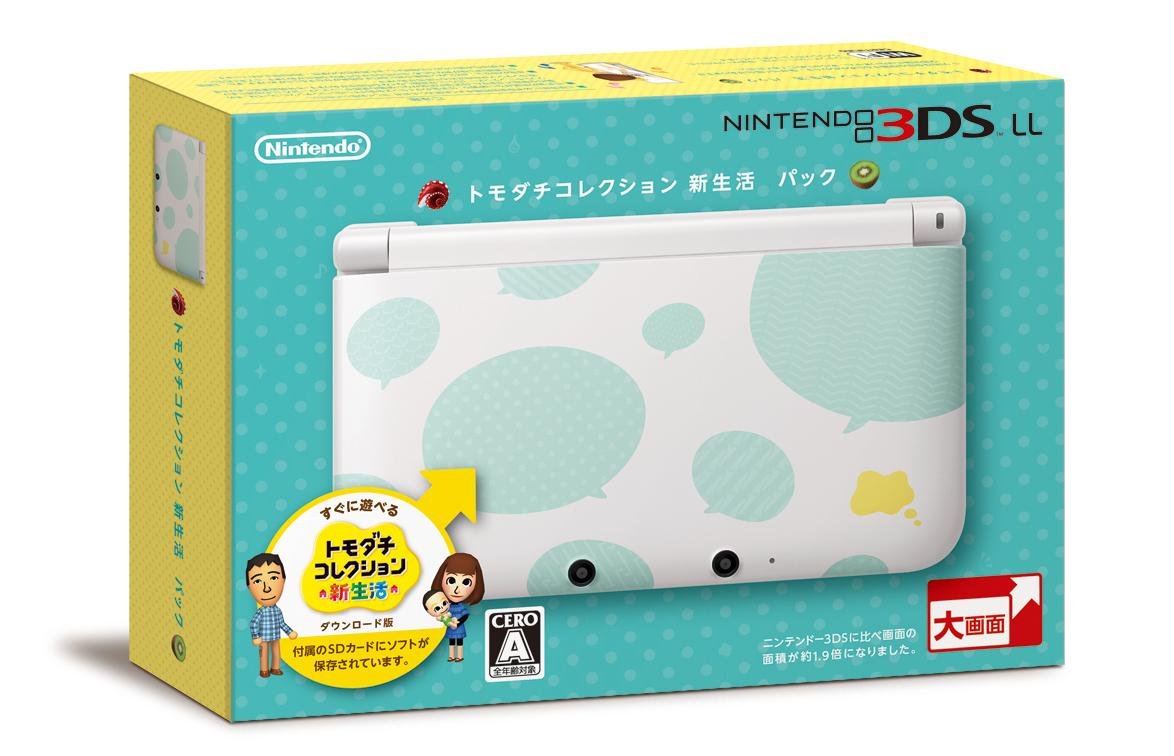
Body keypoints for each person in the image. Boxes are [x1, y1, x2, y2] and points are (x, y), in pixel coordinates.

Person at [246, 553, 298, 678]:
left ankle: (275, 668)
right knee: (264, 652)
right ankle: (264, 670)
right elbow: (253, 623)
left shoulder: (277, 610)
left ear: (283, 580)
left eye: (273, 578)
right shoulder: (261, 612)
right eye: (257, 581)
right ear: (249, 587)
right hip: (263, 637)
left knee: (276, 650)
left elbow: (282, 623)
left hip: (275, 635)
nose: (266, 588)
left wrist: (290, 632)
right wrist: (255, 636)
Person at [430, 553, 485, 662]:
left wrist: (457, 623)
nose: (456, 590)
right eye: (451, 580)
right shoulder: (447, 606)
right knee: (451, 642)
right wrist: (444, 619)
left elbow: (465, 615)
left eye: (466, 582)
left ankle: (459, 656)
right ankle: (451, 656)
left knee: (459, 642)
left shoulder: (460, 607)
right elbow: (443, 615)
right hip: (451, 628)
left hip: (458, 627)